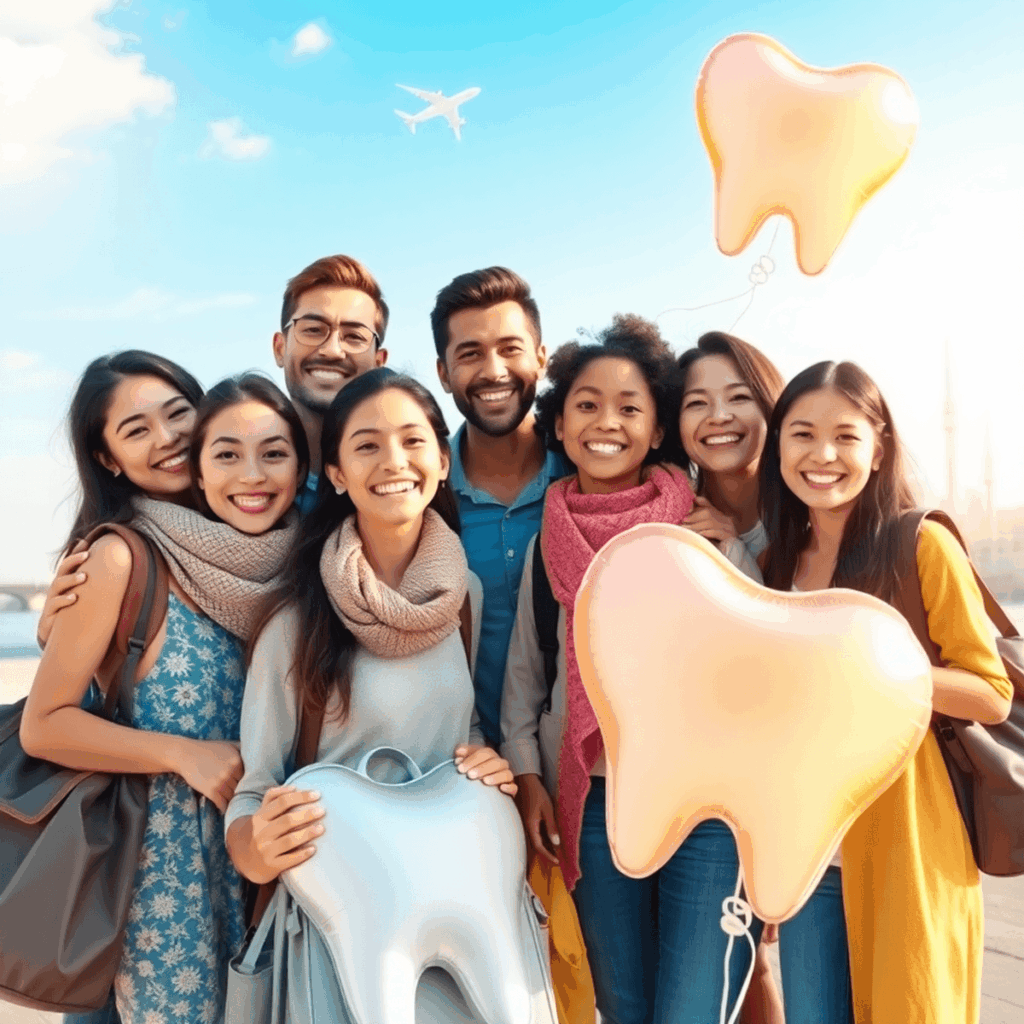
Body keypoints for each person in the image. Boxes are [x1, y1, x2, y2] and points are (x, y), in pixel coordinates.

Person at [224, 368, 516, 1020]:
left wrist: (484, 761)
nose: (394, 461)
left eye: (413, 441)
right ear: (335, 472)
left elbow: (459, 731)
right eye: (366, 445)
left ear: (442, 461)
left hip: (454, 915)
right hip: (341, 928)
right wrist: (256, 846)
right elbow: (254, 791)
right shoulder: (295, 620)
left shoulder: (463, 598)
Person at [21, 357, 305, 1024]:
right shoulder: (120, 556)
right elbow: (46, 724)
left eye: (177, 413)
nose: (167, 437)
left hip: (258, 856)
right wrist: (184, 753)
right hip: (158, 870)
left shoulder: (269, 547)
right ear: (109, 457)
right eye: (136, 429)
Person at [502, 316, 764, 1024]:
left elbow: (759, 662)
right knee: (621, 1006)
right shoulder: (544, 548)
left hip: (704, 805)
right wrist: (529, 779)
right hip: (592, 804)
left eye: (629, 407)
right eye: (586, 404)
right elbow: (525, 688)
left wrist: (733, 551)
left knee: (692, 1008)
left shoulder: (702, 532)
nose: (606, 421)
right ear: (559, 427)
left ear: (656, 430)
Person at [759, 360, 1012, 1024]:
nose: (823, 454)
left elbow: (990, 692)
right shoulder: (775, 563)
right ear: (778, 444)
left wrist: (874, 665)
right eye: (802, 433)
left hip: (910, 840)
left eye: (845, 436)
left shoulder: (920, 543)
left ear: (878, 450)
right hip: (812, 856)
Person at [671, 331, 787, 1024]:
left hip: (785, 780)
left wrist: (735, 548)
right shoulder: (670, 515)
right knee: (741, 961)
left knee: (765, 957)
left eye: (739, 397)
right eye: (697, 402)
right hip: (696, 782)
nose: (719, 416)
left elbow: (788, 650)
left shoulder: (808, 514)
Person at [432, 266, 571, 748]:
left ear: (541, 359)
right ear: (444, 375)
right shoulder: (421, 502)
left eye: (510, 349)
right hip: (461, 772)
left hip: (587, 772)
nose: (493, 370)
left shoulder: (589, 485)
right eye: (470, 354)